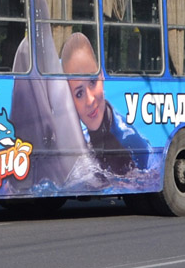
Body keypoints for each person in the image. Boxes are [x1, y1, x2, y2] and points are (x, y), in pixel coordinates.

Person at [60, 32, 150, 176]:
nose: (90, 100)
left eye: (93, 82)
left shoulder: (130, 143)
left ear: (102, 75)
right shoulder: (77, 139)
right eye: (79, 93)